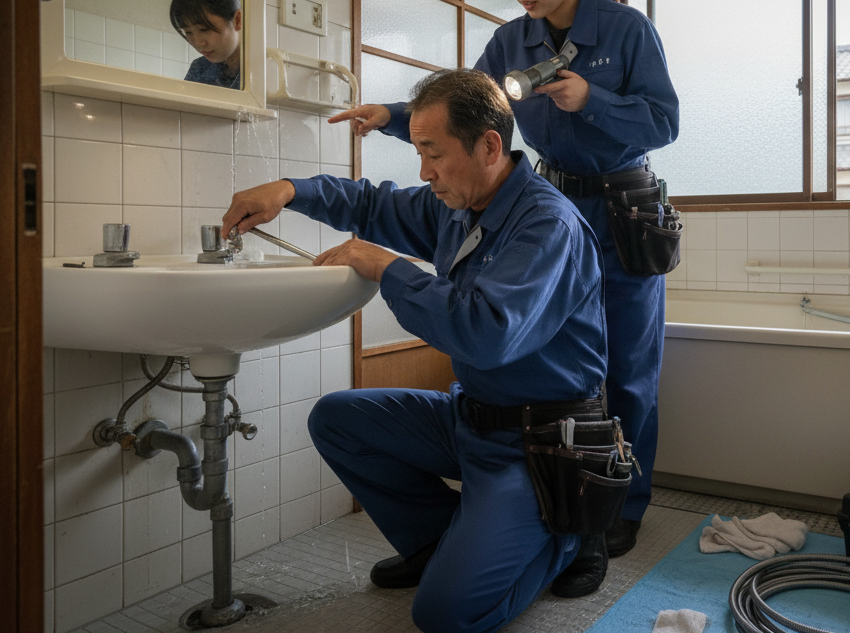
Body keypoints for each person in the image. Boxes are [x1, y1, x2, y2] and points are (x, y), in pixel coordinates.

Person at [327, 0, 678, 596]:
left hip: (622, 211)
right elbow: (470, 108)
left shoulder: (627, 29)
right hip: (549, 201)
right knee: (553, 357)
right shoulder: (512, 41)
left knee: (627, 371)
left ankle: (614, 510)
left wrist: (594, 100)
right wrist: (390, 115)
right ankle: (522, 509)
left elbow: (664, 121)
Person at [220, 69, 608, 633]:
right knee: (338, 419)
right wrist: (290, 190)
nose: (424, 172)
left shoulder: (547, 225)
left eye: (434, 153)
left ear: (489, 146)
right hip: (471, 420)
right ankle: (438, 543)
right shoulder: (458, 205)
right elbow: (373, 205)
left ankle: (566, 536)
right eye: (419, 153)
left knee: (444, 615)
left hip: (538, 443)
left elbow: (484, 334)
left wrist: (389, 267)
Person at [170, 0, 243, 89]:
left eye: (204, 29)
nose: (198, 43)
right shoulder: (199, 68)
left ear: (237, 20)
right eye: (188, 32)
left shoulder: (265, 67)